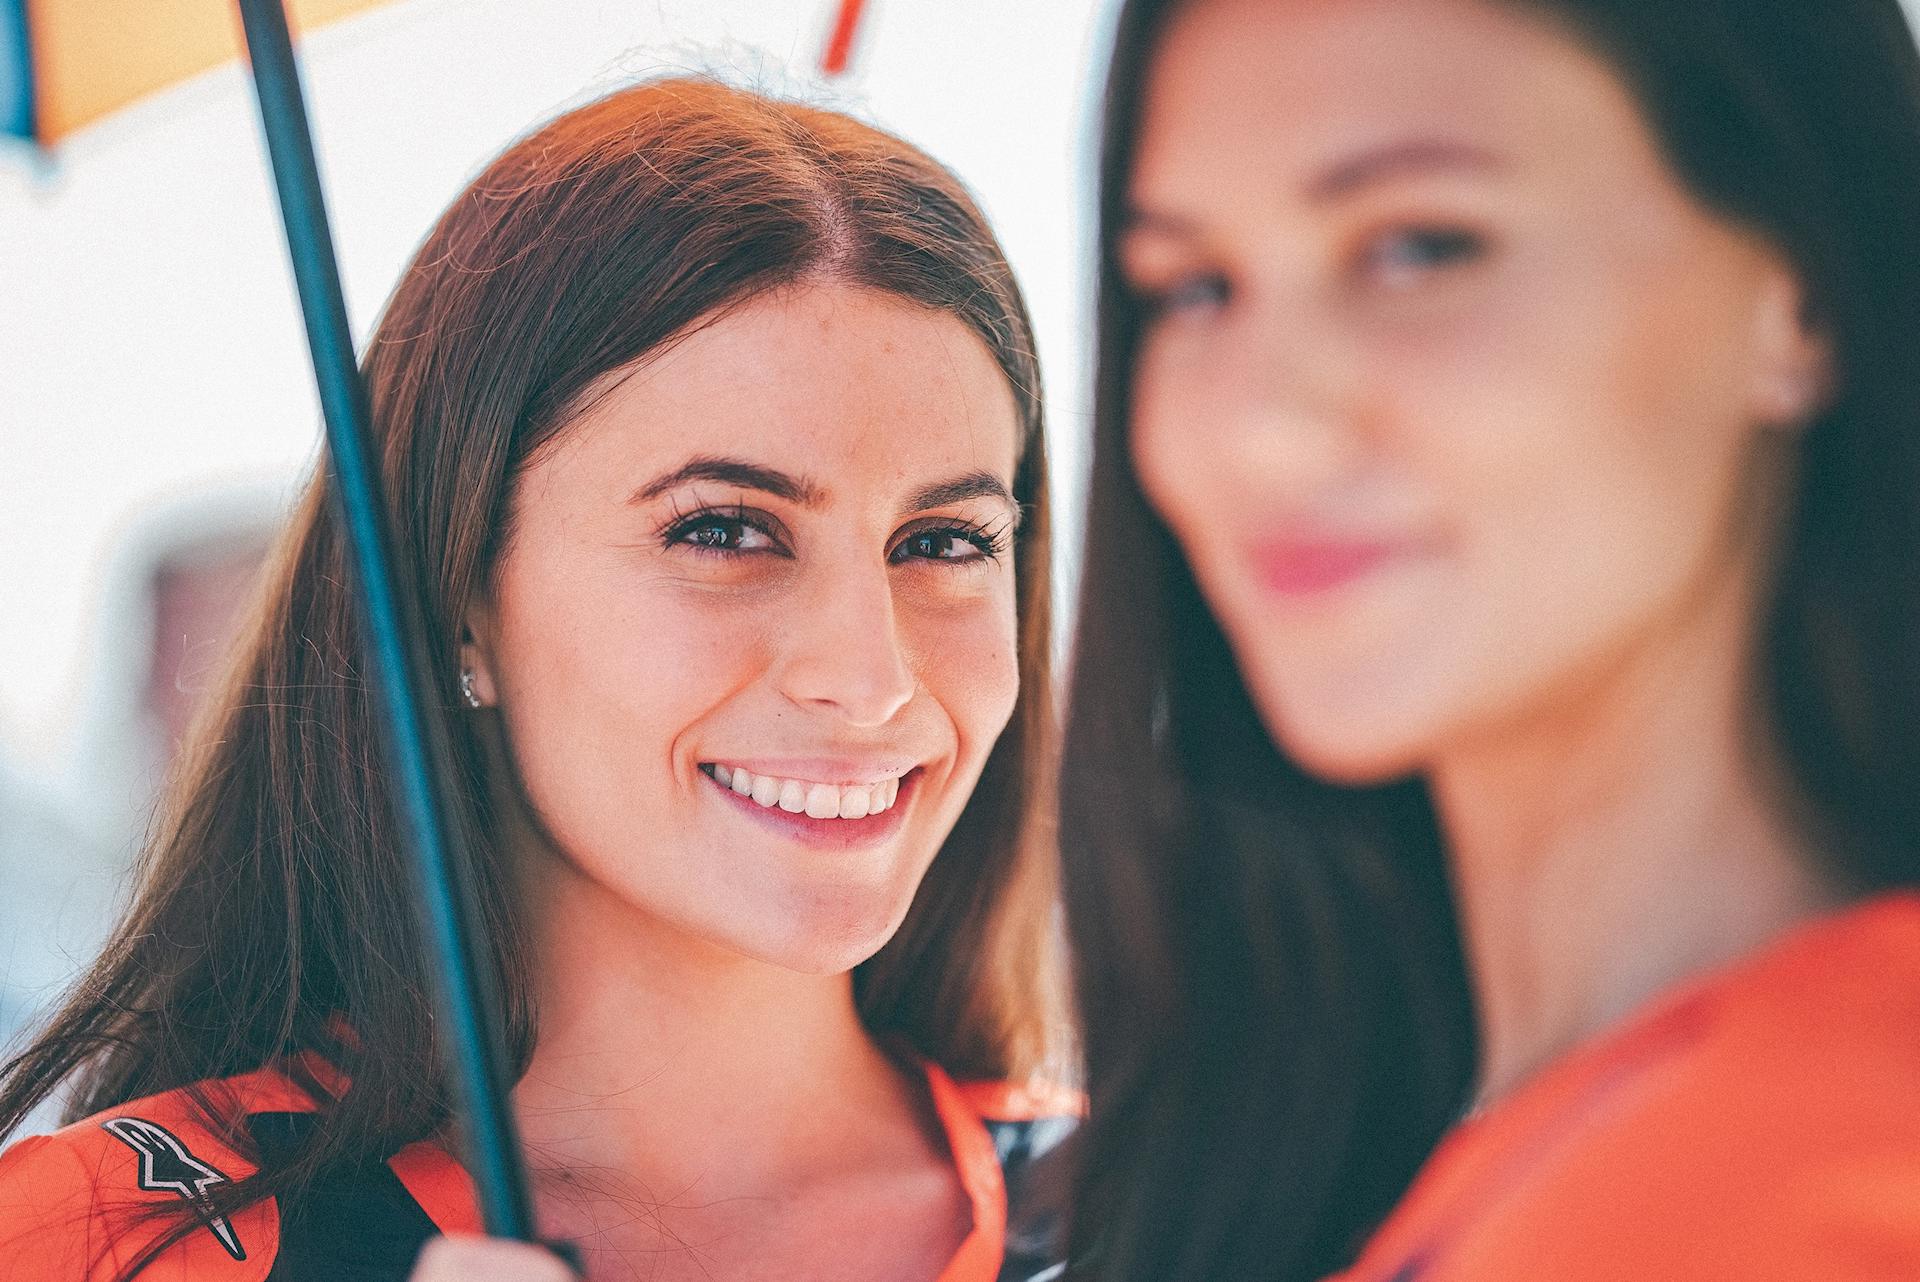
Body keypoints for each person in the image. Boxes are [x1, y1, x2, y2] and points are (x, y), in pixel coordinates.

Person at [0, 77, 1076, 1282]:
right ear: (462, 594)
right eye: (723, 529)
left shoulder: (1223, 1220)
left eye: (944, 542)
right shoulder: (107, 1245)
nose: (871, 677)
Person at [1060, 1, 1920, 1279]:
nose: (1257, 430)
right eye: (1193, 288)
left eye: (1421, 247)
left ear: (1799, 292)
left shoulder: (1817, 1184)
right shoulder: (1404, 1131)